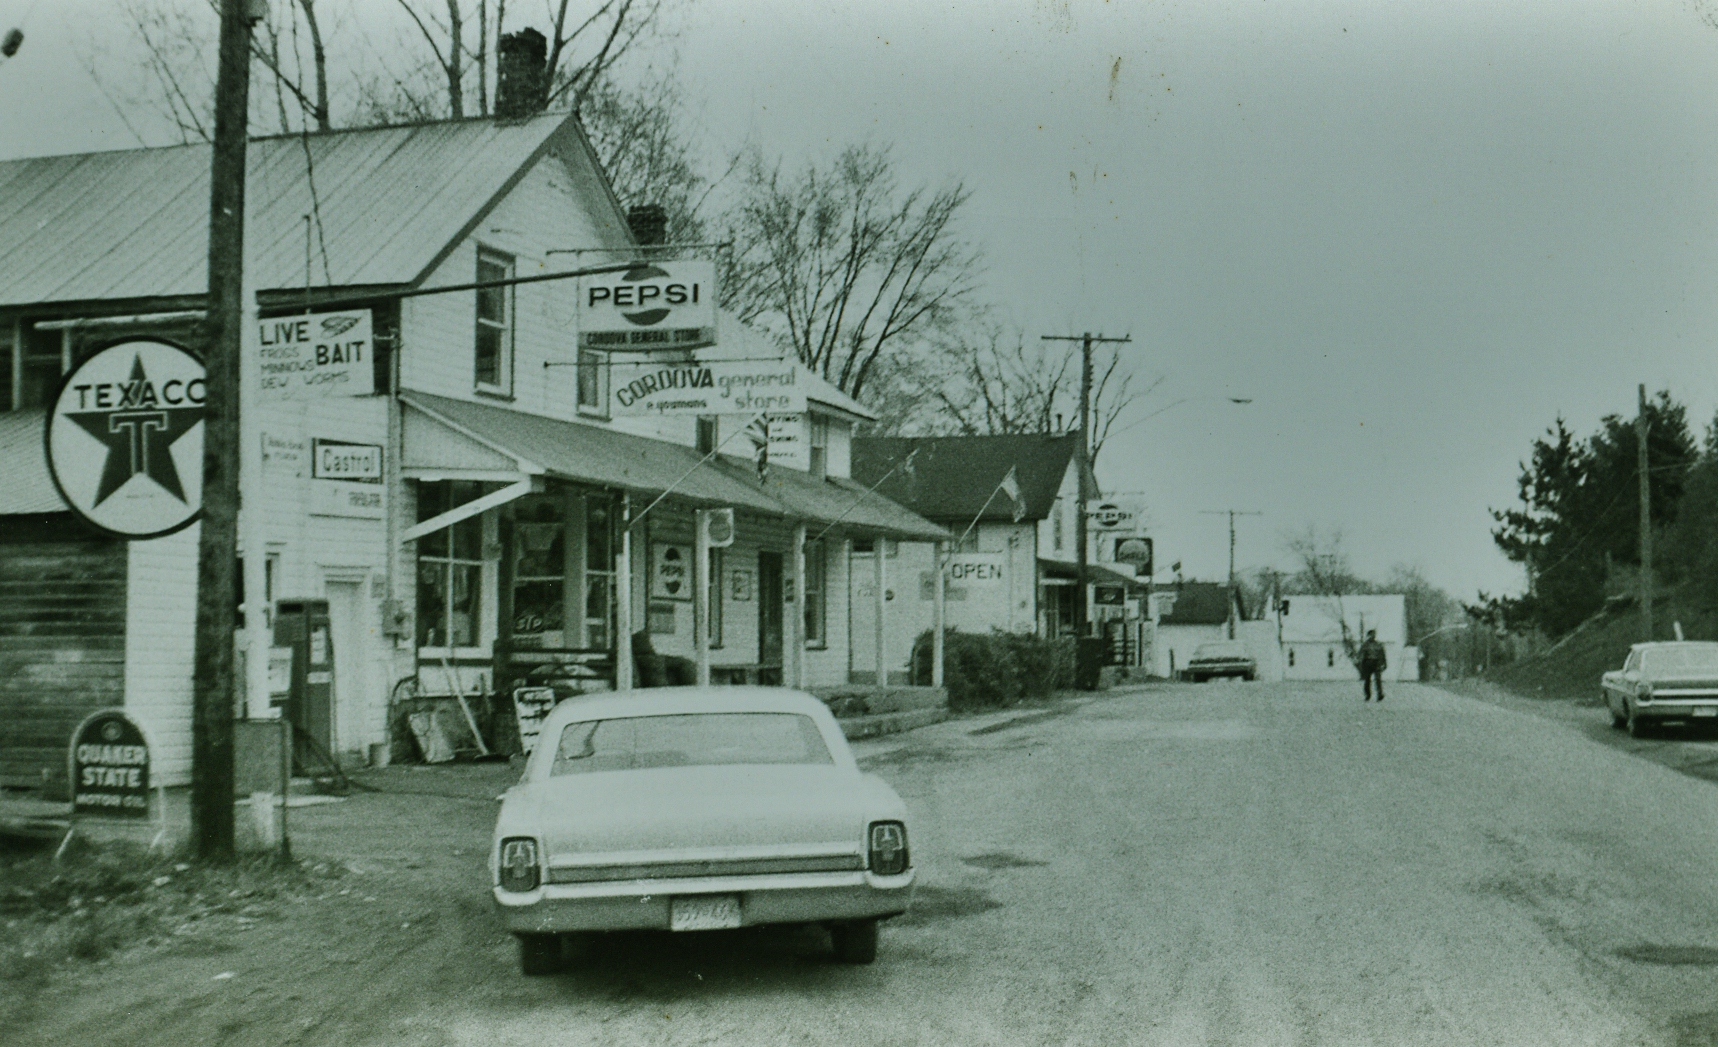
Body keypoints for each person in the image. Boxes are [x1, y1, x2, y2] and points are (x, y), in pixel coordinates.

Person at [1358, 630, 1387, 702]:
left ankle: (1380, 694)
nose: (1373, 636)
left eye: (1374, 634)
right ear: (1368, 635)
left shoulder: (1378, 644)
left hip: (1377, 663)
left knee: (1378, 680)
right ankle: (1367, 695)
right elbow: (1360, 654)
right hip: (1368, 663)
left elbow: (1382, 654)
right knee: (1367, 680)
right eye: (1371, 634)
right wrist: (1361, 664)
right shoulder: (1365, 645)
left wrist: (1384, 663)